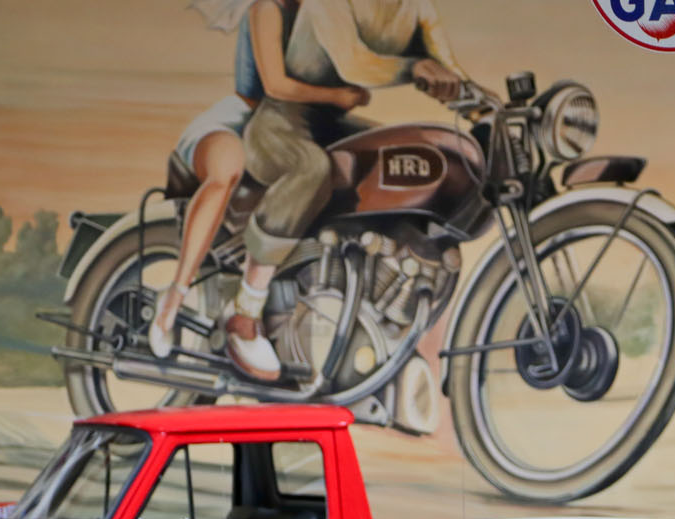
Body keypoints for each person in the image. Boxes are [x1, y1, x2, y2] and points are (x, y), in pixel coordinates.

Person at [154, 0, 468, 378]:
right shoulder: (290, 7)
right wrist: (398, 73)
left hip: (326, 122)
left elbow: (448, 66)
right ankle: (241, 312)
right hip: (273, 118)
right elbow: (332, 70)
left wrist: (479, 103)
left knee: (398, 153)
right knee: (304, 169)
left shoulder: (415, 9)